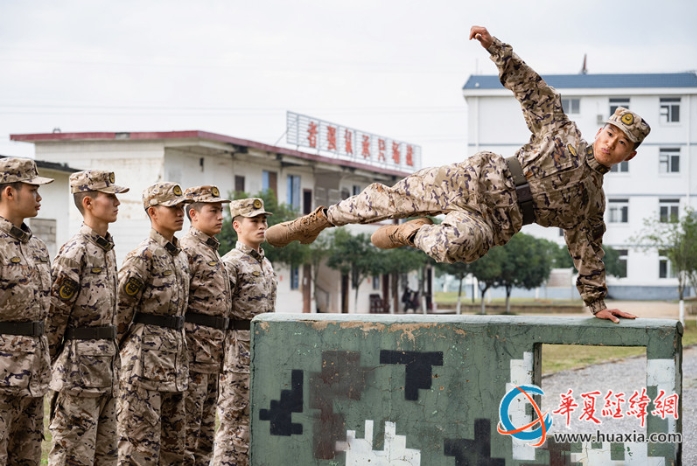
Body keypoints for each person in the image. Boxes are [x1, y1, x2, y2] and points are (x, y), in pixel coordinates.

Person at [265, 25, 651, 324]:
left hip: (495, 221)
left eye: (620, 144)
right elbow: (532, 89)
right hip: (477, 178)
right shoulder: (561, 132)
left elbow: (588, 251)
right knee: (389, 198)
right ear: (601, 129)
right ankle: (316, 222)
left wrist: (597, 302)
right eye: (610, 133)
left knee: (454, 246)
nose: (610, 143)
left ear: (628, 155)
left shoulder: (590, 205)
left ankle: (411, 231)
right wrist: (495, 48)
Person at [47, 170, 129, 465]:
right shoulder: (75, 251)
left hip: (106, 373)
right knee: (73, 457)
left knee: (105, 458)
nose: (117, 202)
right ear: (89, 202)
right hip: (78, 376)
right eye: (110, 196)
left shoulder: (107, 248)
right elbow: (55, 317)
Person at [116, 182, 192, 465]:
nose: (179, 213)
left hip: (174, 364)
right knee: (139, 448)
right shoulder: (142, 255)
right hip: (143, 365)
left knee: (173, 450)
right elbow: (120, 309)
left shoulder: (180, 256)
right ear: (153, 212)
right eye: (172, 208)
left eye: (182, 207)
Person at [211, 198, 277, 466]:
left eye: (264, 220)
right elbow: (221, 314)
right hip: (237, 357)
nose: (262, 226)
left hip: (262, 354)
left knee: (256, 420)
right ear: (237, 225)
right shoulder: (230, 264)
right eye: (255, 221)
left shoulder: (266, 264)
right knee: (233, 421)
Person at [0, 158, 53, 465]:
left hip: (33, 371)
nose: (39, 197)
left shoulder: (37, 248)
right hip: (3, 372)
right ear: (9, 192)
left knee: (29, 456)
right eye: (32, 190)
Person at [180, 186, 231, 466]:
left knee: (204, 440)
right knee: (187, 436)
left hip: (212, 359)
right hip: (193, 358)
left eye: (221, 209)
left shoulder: (211, 251)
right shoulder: (187, 250)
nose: (220, 216)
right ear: (193, 214)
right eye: (213, 210)